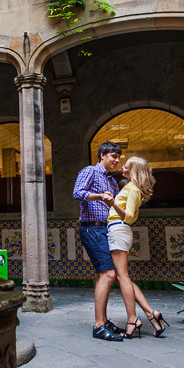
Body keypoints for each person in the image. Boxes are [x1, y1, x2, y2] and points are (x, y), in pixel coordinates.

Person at [107, 156, 168, 338]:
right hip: (117, 230)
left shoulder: (133, 189)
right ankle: (151, 314)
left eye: (127, 165)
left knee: (122, 277)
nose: (123, 165)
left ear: (133, 170)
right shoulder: (129, 186)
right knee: (122, 277)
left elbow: (130, 216)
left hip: (119, 229)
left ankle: (132, 319)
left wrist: (113, 204)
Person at [73, 141, 123, 341]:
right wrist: (100, 196)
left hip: (107, 229)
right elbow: (77, 193)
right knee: (108, 274)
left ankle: (104, 320)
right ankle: (99, 325)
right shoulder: (90, 171)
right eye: (113, 156)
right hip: (91, 228)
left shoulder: (112, 181)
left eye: (118, 157)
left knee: (109, 275)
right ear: (102, 155)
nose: (117, 160)